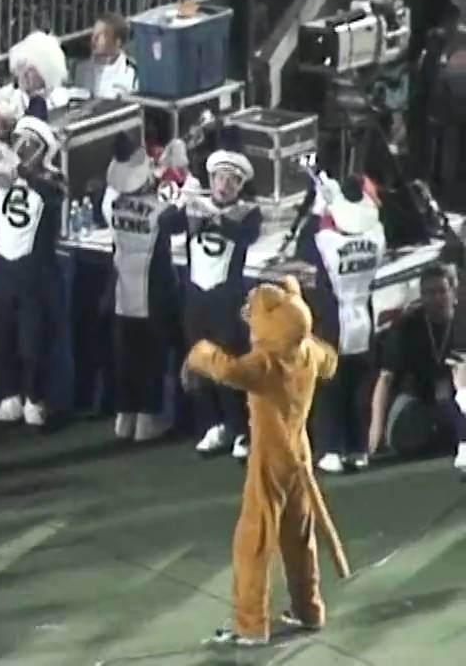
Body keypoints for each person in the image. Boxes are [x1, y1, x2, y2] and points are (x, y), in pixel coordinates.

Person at [182, 277, 350, 647]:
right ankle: (309, 609)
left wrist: (200, 352)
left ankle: (251, 623)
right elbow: (331, 363)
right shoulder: (308, 352)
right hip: (300, 453)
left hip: (270, 456)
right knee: (298, 537)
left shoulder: (266, 363)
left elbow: (226, 370)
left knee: (254, 539)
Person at [161, 148, 264, 459]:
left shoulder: (247, 212)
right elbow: (166, 224)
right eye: (220, 177)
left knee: (229, 368)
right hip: (196, 297)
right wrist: (181, 201)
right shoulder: (195, 206)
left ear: (240, 185)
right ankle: (214, 424)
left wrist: (210, 215)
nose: (224, 184)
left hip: (227, 302)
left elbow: (244, 235)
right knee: (201, 366)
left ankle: (242, 429)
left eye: (232, 180)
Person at [0, 117, 67, 427]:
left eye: (30, 144)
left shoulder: (52, 179)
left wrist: (24, 172)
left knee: (32, 339)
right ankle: (8, 396)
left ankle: (33, 397)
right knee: (0, 336)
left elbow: (53, 195)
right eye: (19, 141)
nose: (21, 148)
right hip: (0, 266)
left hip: (33, 270)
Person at [296, 177, 387, 474]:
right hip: (365, 317)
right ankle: (357, 447)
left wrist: (318, 208)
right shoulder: (377, 236)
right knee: (359, 387)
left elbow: (305, 245)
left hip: (334, 322)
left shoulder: (326, 242)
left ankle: (331, 448)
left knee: (330, 389)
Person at [101, 136, 176, 443]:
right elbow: (180, 218)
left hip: (122, 290)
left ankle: (124, 417)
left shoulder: (110, 203)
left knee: (126, 356)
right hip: (152, 292)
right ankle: (147, 419)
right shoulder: (161, 210)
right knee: (150, 356)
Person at [369, 265, 466, 471]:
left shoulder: (461, 322)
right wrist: (375, 429)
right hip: (419, 400)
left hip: (459, 396)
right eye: (429, 293)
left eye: (441, 291)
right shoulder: (407, 327)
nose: (436, 298)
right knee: (404, 438)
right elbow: (386, 377)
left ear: (453, 292)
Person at [72, 13, 139, 98]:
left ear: (117, 42)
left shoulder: (132, 73)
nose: (94, 40)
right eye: (93, 35)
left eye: (100, 36)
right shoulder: (80, 68)